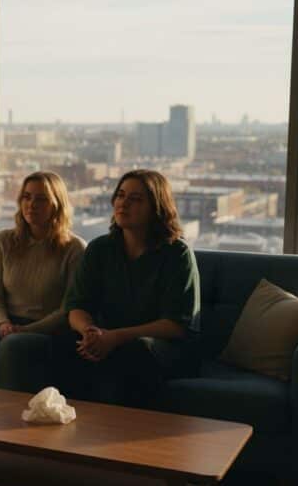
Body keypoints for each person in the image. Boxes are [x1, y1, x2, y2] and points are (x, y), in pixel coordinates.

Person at [55, 169, 200, 406]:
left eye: (136, 199)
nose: (123, 204)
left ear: (157, 208)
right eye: (121, 196)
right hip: (107, 337)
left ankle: (121, 435)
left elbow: (176, 325)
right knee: (63, 342)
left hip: (162, 347)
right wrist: (90, 332)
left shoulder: (177, 254)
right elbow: (77, 306)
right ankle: (65, 429)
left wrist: (115, 337)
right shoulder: (100, 249)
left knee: (134, 350)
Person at [0, 171, 85, 388]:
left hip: (49, 329)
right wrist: (3, 323)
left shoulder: (74, 249)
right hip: (6, 321)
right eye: (26, 197)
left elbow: (68, 310)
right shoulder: (3, 241)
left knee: (13, 346)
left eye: (41, 199)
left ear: (57, 205)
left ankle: (8, 417)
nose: (31, 204)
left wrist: (26, 330)